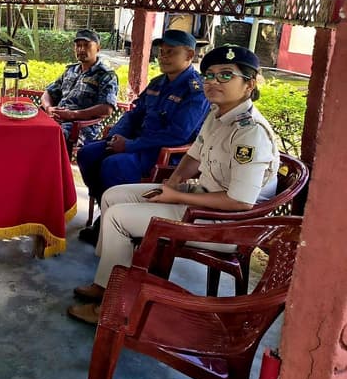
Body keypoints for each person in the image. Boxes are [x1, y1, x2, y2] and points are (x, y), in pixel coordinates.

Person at [67, 45, 279, 324]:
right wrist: (174, 183)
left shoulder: (249, 132)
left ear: (249, 84)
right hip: (202, 199)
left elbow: (239, 202)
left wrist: (176, 196)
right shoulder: (217, 115)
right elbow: (192, 157)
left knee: (119, 218)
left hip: (226, 222)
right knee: (113, 196)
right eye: (210, 75)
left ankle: (115, 307)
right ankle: (106, 282)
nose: (214, 81)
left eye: (226, 75)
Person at [75, 30, 209, 245]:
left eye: (171, 52)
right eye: (161, 52)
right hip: (138, 144)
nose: (163, 57)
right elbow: (134, 114)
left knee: (114, 165)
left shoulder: (195, 91)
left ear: (189, 55)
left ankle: (122, 226)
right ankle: (107, 211)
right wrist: (117, 136)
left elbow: (178, 134)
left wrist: (129, 146)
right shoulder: (157, 83)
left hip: (166, 153)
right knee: (88, 153)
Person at [40, 29, 119, 143]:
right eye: (78, 46)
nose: (81, 49)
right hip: (56, 119)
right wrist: (48, 108)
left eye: (86, 45)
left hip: (81, 127)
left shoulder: (105, 75)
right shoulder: (71, 71)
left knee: (51, 136)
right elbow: (48, 93)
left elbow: (107, 108)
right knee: (28, 129)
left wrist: (72, 115)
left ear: (98, 48)